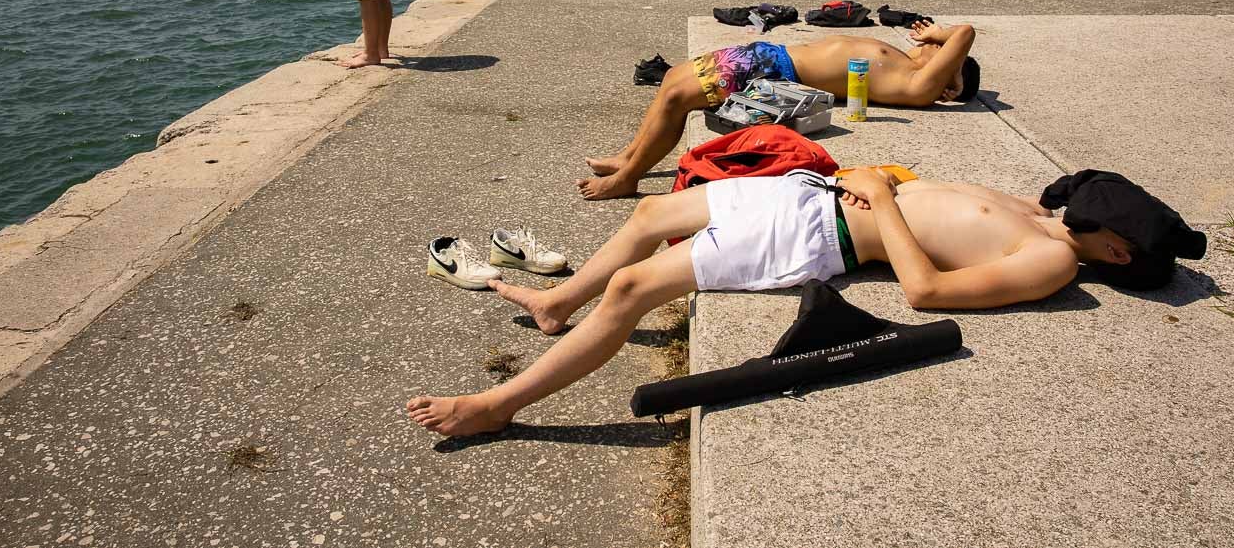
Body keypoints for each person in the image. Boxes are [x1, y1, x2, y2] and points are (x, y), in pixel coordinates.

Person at [407, 167, 1188, 438]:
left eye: (1101, 212)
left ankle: (498, 403)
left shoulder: (1052, 261)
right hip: (811, 194)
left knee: (636, 287)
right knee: (647, 216)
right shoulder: (1045, 215)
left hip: (823, 238)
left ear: (1114, 251)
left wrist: (882, 198)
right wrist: (880, 181)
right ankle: (556, 305)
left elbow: (925, 290)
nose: (1082, 202)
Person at [578, 21, 978, 199]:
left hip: (775, 70)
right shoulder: (907, 62)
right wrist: (930, 43)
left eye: (944, 55)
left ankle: (628, 179)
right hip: (772, 54)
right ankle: (629, 156)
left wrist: (940, 39)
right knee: (672, 79)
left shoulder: (918, 86)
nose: (933, 46)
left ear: (949, 82)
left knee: (675, 98)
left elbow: (965, 32)